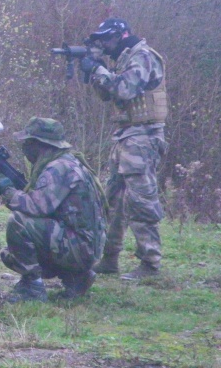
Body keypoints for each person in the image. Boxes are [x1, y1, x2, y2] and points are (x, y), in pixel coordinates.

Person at [79, 18, 168, 280]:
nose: (104, 45)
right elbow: (108, 95)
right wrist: (96, 70)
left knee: (140, 200)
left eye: (107, 39)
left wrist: (99, 68)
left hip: (143, 135)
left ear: (121, 35)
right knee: (112, 200)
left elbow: (125, 90)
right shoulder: (124, 59)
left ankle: (150, 263)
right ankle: (109, 258)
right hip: (125, 135)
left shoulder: (142, 56)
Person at [0, 117, 107, 302]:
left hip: (80, 248)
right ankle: (76, 277)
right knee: (11, 255)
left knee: (19, 223)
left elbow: (36, 207)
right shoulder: (68, 162)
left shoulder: (59, 168)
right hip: (85, 246)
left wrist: (9, 192)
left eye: (28, 143)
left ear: (39, 144)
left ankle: (32, 288)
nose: (24, 148)